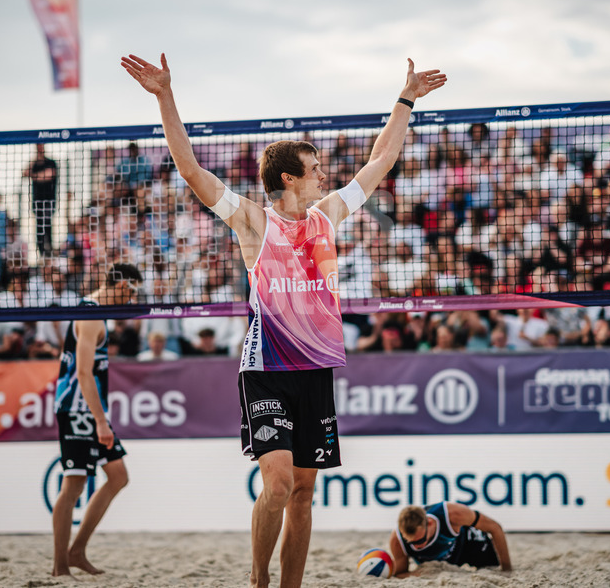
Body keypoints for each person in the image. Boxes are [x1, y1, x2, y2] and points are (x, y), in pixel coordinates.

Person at [122, 51, 446, 588]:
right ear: (292, 177)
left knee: (303, 491)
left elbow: (381, 160)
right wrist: (165, 96)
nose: (326, 175)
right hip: (266, 365)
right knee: (275, 486)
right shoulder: (253, 221)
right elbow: (190, 171)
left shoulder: (326, 216)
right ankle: (258, 578)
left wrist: (406, 99)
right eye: (317, 168)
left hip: (313, 367)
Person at [52, 262, 143, 577]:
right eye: (132, 293)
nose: (132, 301)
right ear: (121, 286)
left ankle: (76, 552)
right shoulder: (90, 315)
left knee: (118, 476)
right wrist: (101, 421)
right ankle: (60, 566)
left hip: (89, 408)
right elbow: (82, 373)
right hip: (77, 408)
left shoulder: (96, 314)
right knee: (74, 484)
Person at [388, 502, 512, 577]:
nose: (417, 547)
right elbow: (400, 574)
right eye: (411, 543)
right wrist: (415, 574)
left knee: (492, 569)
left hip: (466, 544)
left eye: (420, 541)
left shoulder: (452, 514)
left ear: (430, 523)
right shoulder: (397, 540)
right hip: (438, 563)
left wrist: (507, 569)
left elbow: (495, 528)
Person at [24, 144, 59, 256]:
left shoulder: (51, 162)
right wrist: (35, 160)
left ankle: (48, 249)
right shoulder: (34, 163)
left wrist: (34, 176)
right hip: (37, 202)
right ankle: (41, 252)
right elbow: (25, 173)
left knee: (47, 225)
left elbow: (49, 175)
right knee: (39, 226)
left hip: (48, 201)